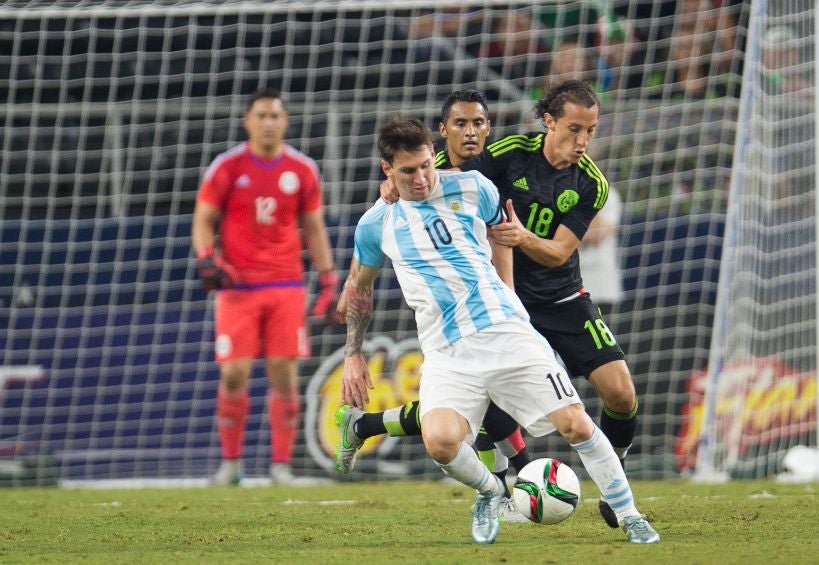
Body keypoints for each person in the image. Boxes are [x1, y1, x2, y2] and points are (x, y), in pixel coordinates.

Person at [341, 116, 659, 545]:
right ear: (387, 171)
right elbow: (359, 290)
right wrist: (353, 355)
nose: (420, 178)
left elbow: (501, 235)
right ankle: (491, 492)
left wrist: (509, 298)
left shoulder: (473, 187)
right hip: (446, 352)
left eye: (424, 166)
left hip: (505, 331)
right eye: (408, 171)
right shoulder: (375, 224)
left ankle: (630, 514)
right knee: (440, 442)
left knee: (576, 424)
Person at [335, 91, 532, 520]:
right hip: (453, 312)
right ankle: (515, 480)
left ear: (490, 127)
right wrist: (353, 282)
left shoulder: (495, 166)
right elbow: (385, 213)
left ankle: (365, 425)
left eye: (479, 122)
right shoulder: (426, 176)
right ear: (442, 132)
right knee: (475, 401)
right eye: (460, 123)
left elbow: (503, 234)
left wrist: (510, 295)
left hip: (511, 300)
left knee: (481, 403)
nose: (471, 131)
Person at [192, 87, 339, 485]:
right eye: (262, 115)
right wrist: (207, 256)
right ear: (248, 121)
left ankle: (280, 467)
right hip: (237, 287)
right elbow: (204, 217)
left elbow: (313, 226)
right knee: (234, 374)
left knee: (283, 374)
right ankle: (231, 465)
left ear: (285, 121)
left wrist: (328, 279)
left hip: (286, 284)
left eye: (275, 116)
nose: (269, 122)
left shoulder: (303, 169)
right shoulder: (227, 166)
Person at [579, 185, 624, 314]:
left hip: (602, 289)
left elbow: (597, 236)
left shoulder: (607, 193)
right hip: (570, 291)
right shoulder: (559, 190)